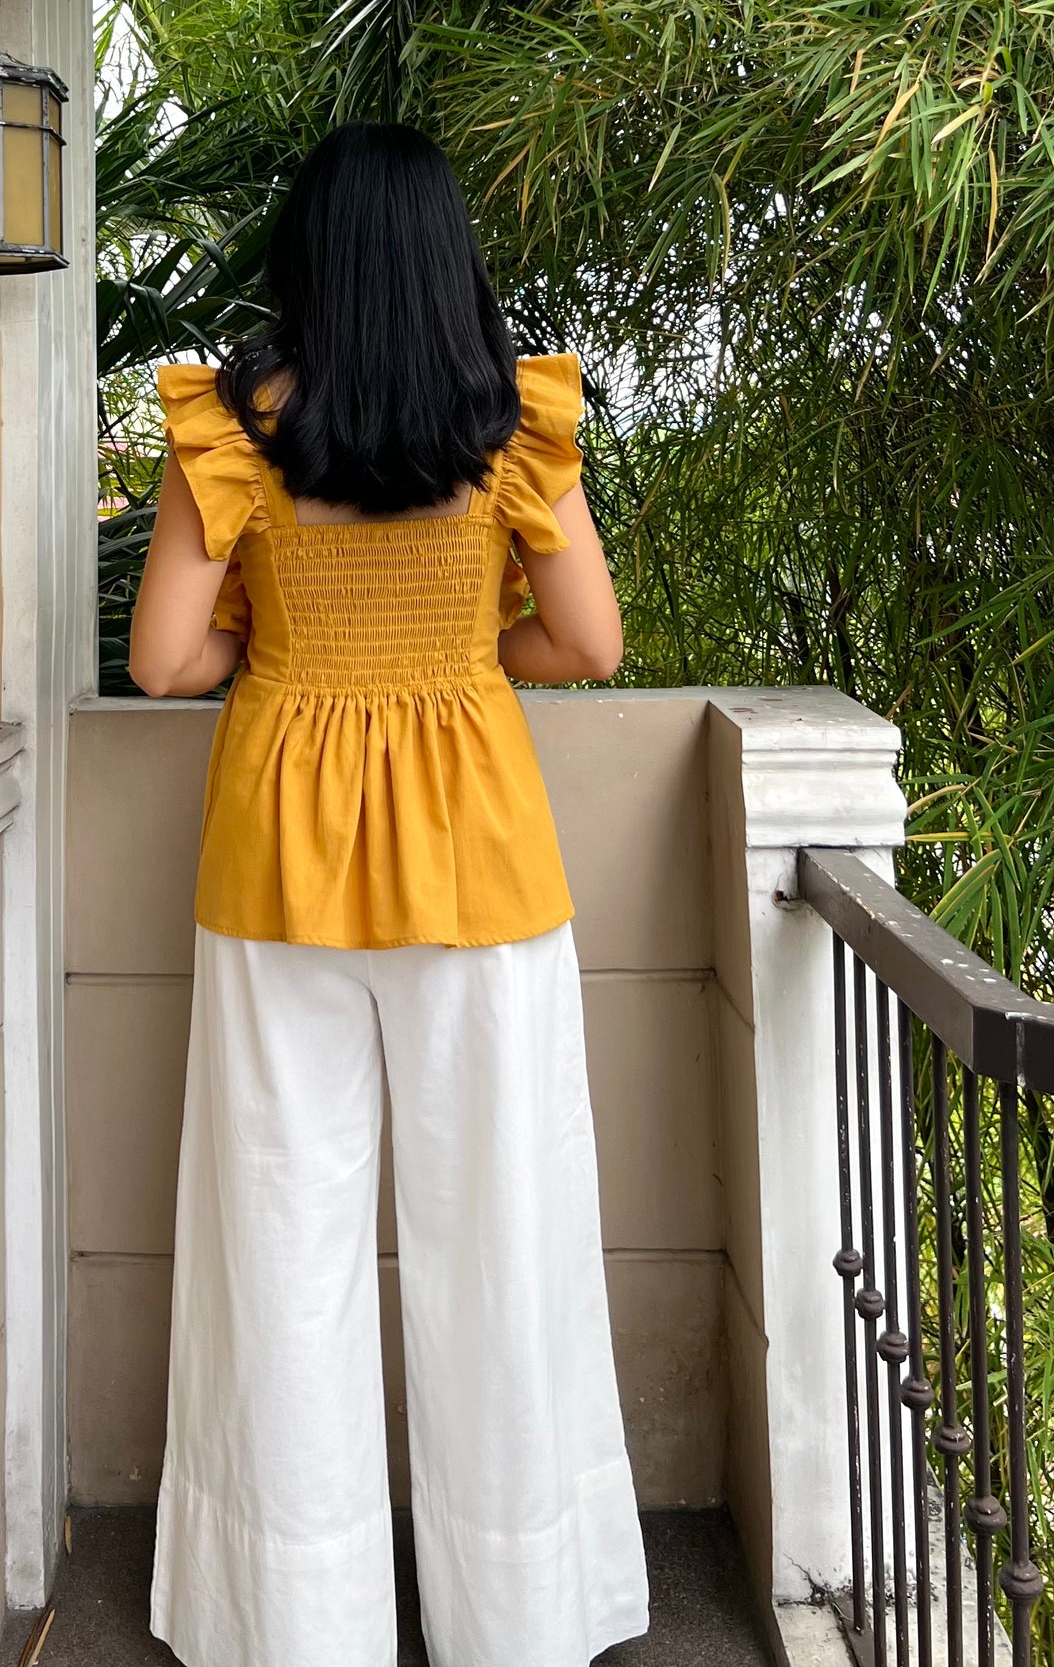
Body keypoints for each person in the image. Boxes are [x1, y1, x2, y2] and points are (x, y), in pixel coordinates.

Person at [129, 120, 649, 1667]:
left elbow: (163, 662)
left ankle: (295, 1622)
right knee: (505, 1228)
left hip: (275, 865)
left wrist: (281, 653)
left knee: (276, 1236)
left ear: (308, 257)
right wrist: (446, 662)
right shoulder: (509, 431)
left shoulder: (230, 430)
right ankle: (520, 1614)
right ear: (444, 260)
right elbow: (589, 646)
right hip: (480, 861)